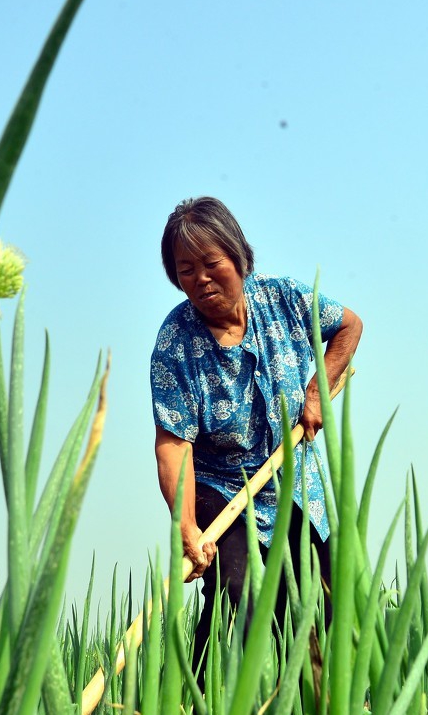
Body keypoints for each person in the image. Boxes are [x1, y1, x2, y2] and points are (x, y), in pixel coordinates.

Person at [150, 197, 363, 671]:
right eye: (186, 270)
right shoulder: (175, 343)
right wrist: (185, 523)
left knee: (319, 606)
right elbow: (174, 443)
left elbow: (349, 325)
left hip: (293, 478)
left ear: (238, 257)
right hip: (221, 489)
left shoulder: (284, 299)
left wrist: (316, 393)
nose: (200, 280)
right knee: (238, 594)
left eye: (211, 264)